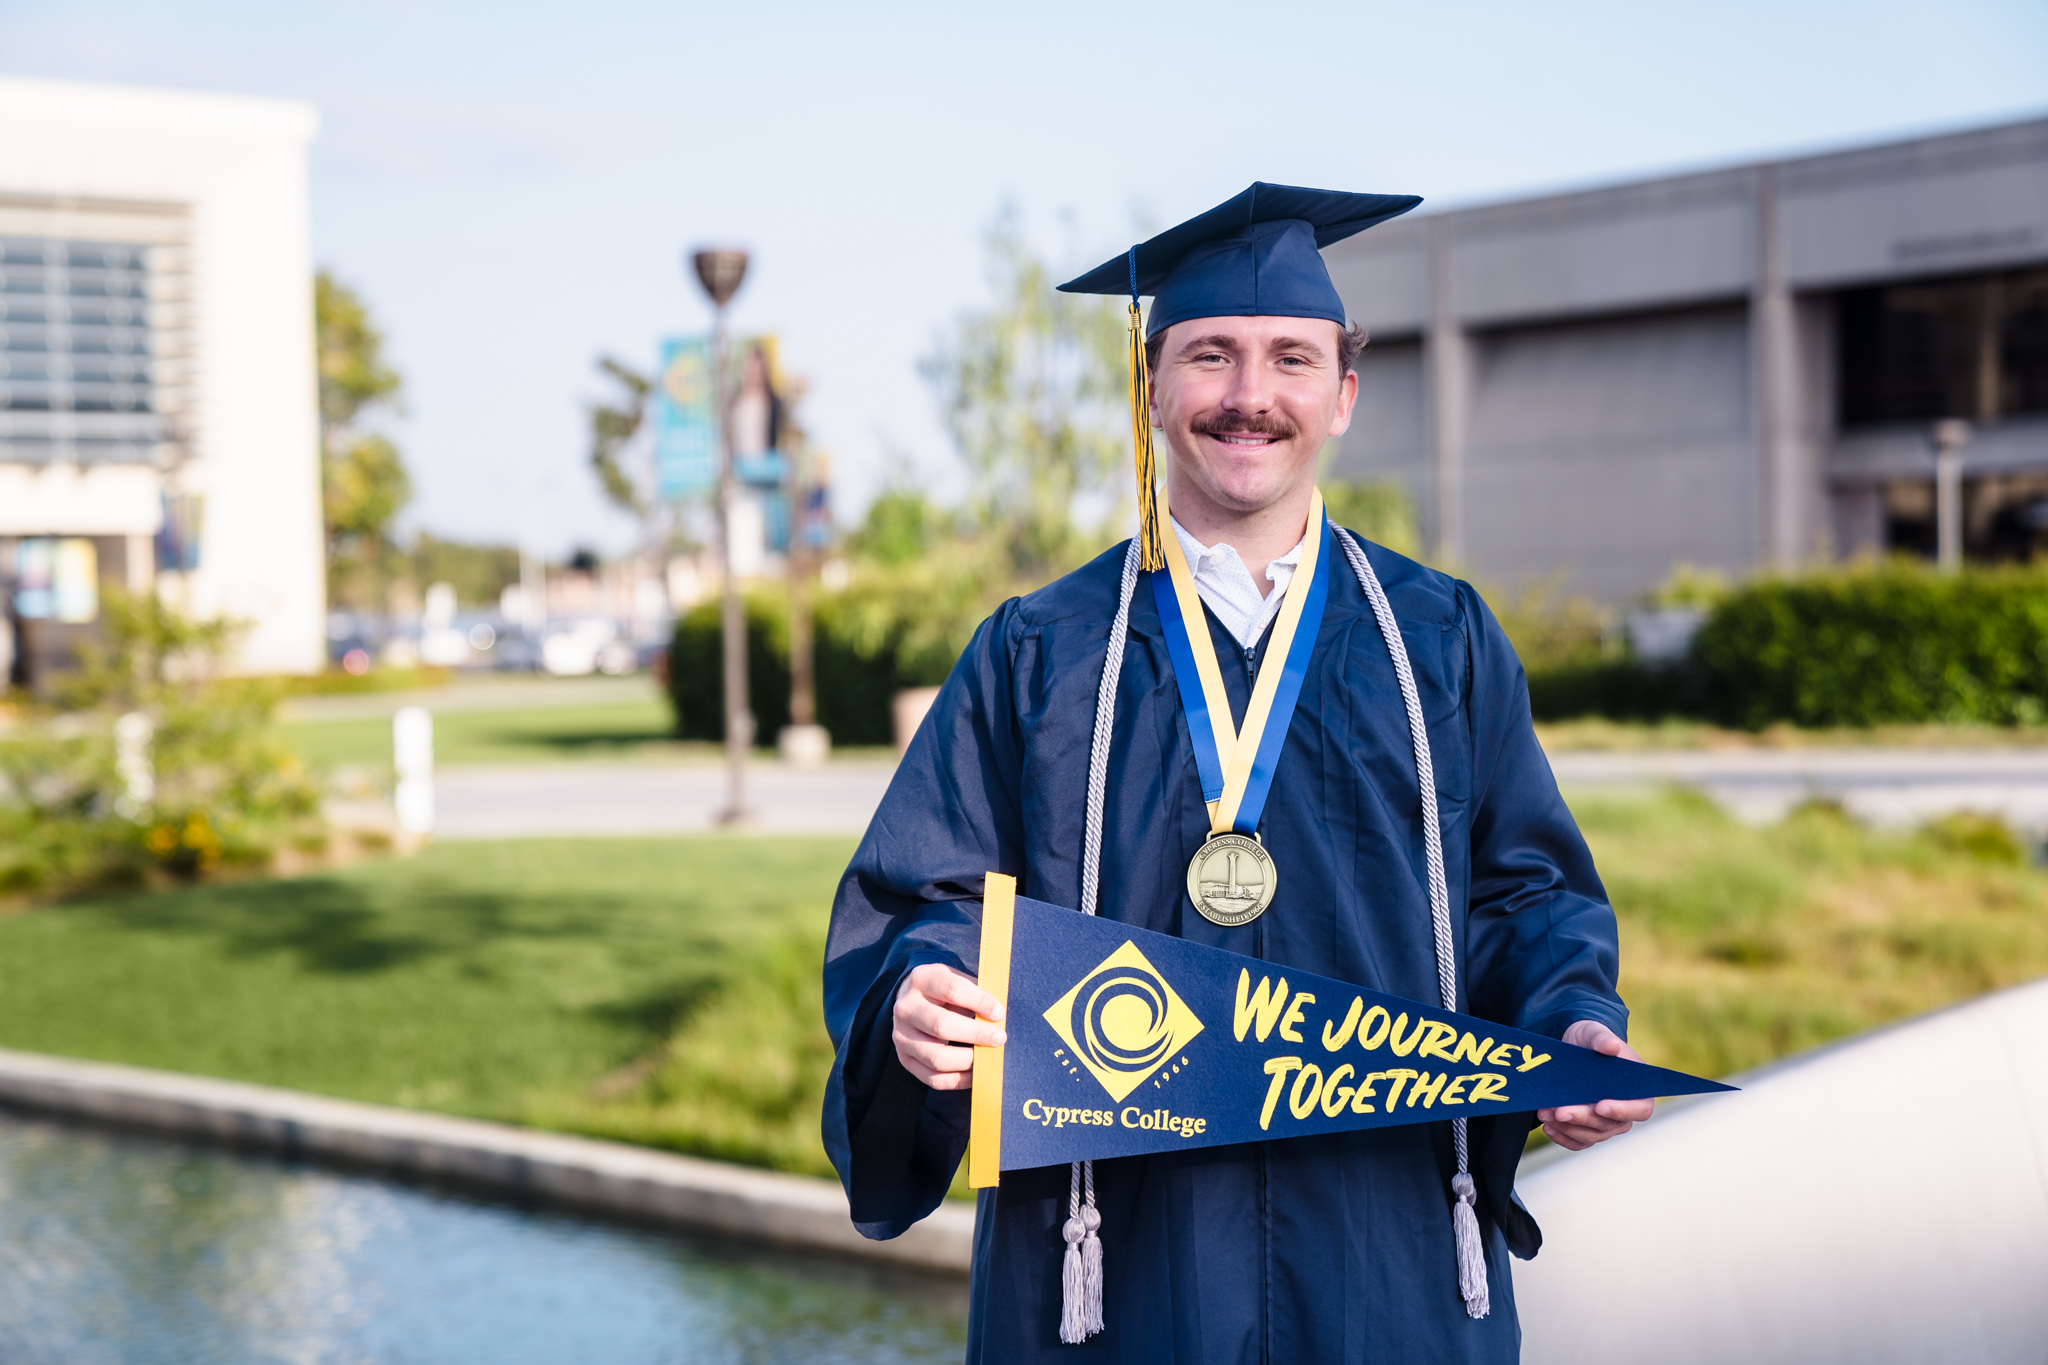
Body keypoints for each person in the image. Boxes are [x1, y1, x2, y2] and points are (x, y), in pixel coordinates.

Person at [822, 184, 1652, 1363]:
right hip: (1116, 1254)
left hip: (1383, 1242)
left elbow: (1522, 891)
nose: (1250, 397)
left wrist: (1571, 1022)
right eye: (1209, 356)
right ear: (1152, 384)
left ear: (1343, 396)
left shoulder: (1437, 641)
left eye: (1291, 362)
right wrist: (921, 993)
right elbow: (932, 896)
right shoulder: (1040, 651)